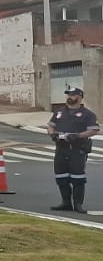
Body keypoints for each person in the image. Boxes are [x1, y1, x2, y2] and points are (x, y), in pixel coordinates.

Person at [47, 85, 99, 214]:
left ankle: (78, 204)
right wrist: (52, 134)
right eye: (68, 95)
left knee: (78, 177)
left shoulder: (88, 114)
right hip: (61, 148)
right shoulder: (59, 112)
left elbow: (93, 130)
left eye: (73, 95)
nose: (69, 97)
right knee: (61, 176)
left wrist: (78, 136)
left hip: (77, 149)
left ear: (80, 97)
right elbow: (50, 125)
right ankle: (66, 202)